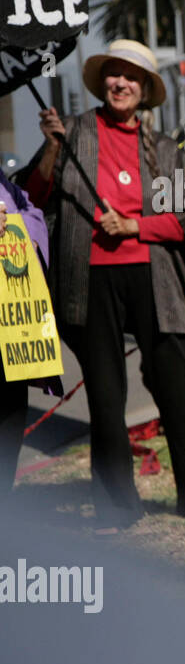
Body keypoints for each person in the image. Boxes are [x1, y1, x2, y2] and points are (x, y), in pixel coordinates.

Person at [23, 39, 185, 532]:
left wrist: (135, 227)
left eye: (131, 77)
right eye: (113, 75)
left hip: (154, 279)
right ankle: (116, 507)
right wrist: (54, 146)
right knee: (105, 398)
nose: (120, 83)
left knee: (181, 394)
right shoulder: (72, 132)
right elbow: (34, 195)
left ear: (145, 90)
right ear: (103, 82)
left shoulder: (164, 149)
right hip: (90, 281)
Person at [0, 173, 61, 499]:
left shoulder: (3, 182)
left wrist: (18, 229)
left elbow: (31, 210)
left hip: (10, 325)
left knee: (10, 416)